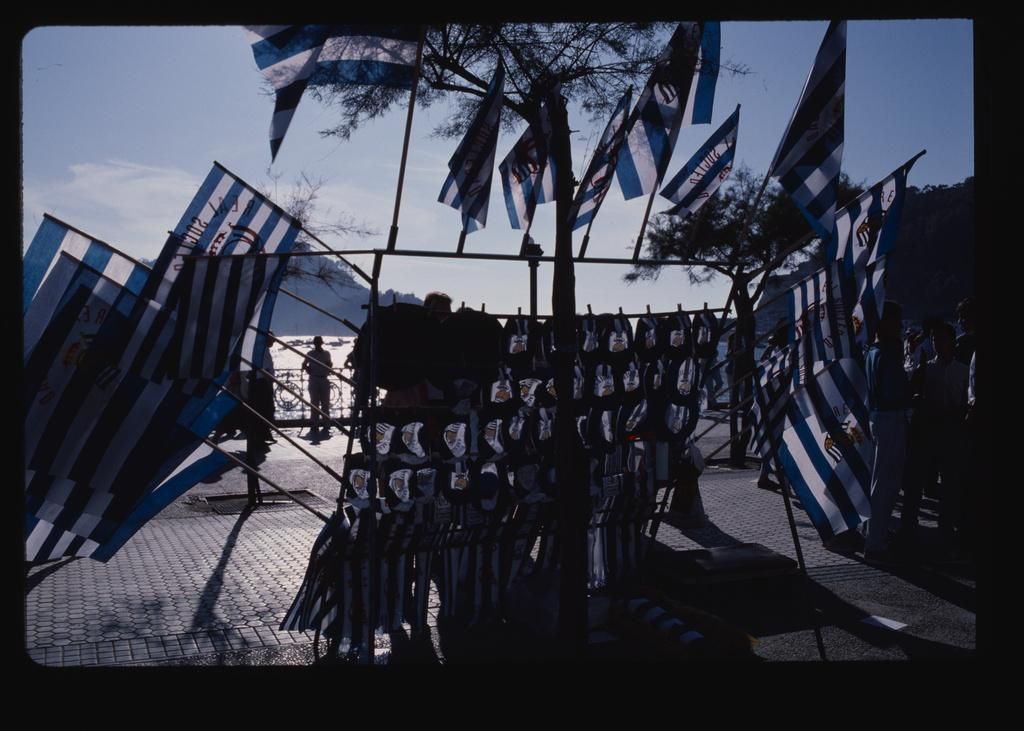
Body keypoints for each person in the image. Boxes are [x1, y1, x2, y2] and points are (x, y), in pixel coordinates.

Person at [862, 300, 911, 564]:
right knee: (887, 483)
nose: (900, 326)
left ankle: (871, 533)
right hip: (891, 417)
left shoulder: (871, 351)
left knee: (876, 479)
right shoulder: (887, 353)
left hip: (876, 416)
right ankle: (877, 544)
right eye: (897, 321)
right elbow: (894, 392)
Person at [303, 335, 334, 434]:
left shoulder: (327, 353)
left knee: (325, 403)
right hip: (314, 379)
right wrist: (309, 371)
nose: (318, 344)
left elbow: (330, 364)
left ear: (321, 343)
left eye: (319, 342)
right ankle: (315, 424)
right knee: (314, 403)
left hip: (323, 379)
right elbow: (304, 364)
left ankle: (326, 423)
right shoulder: (310, 353)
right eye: (316, 343)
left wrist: (328, 367)